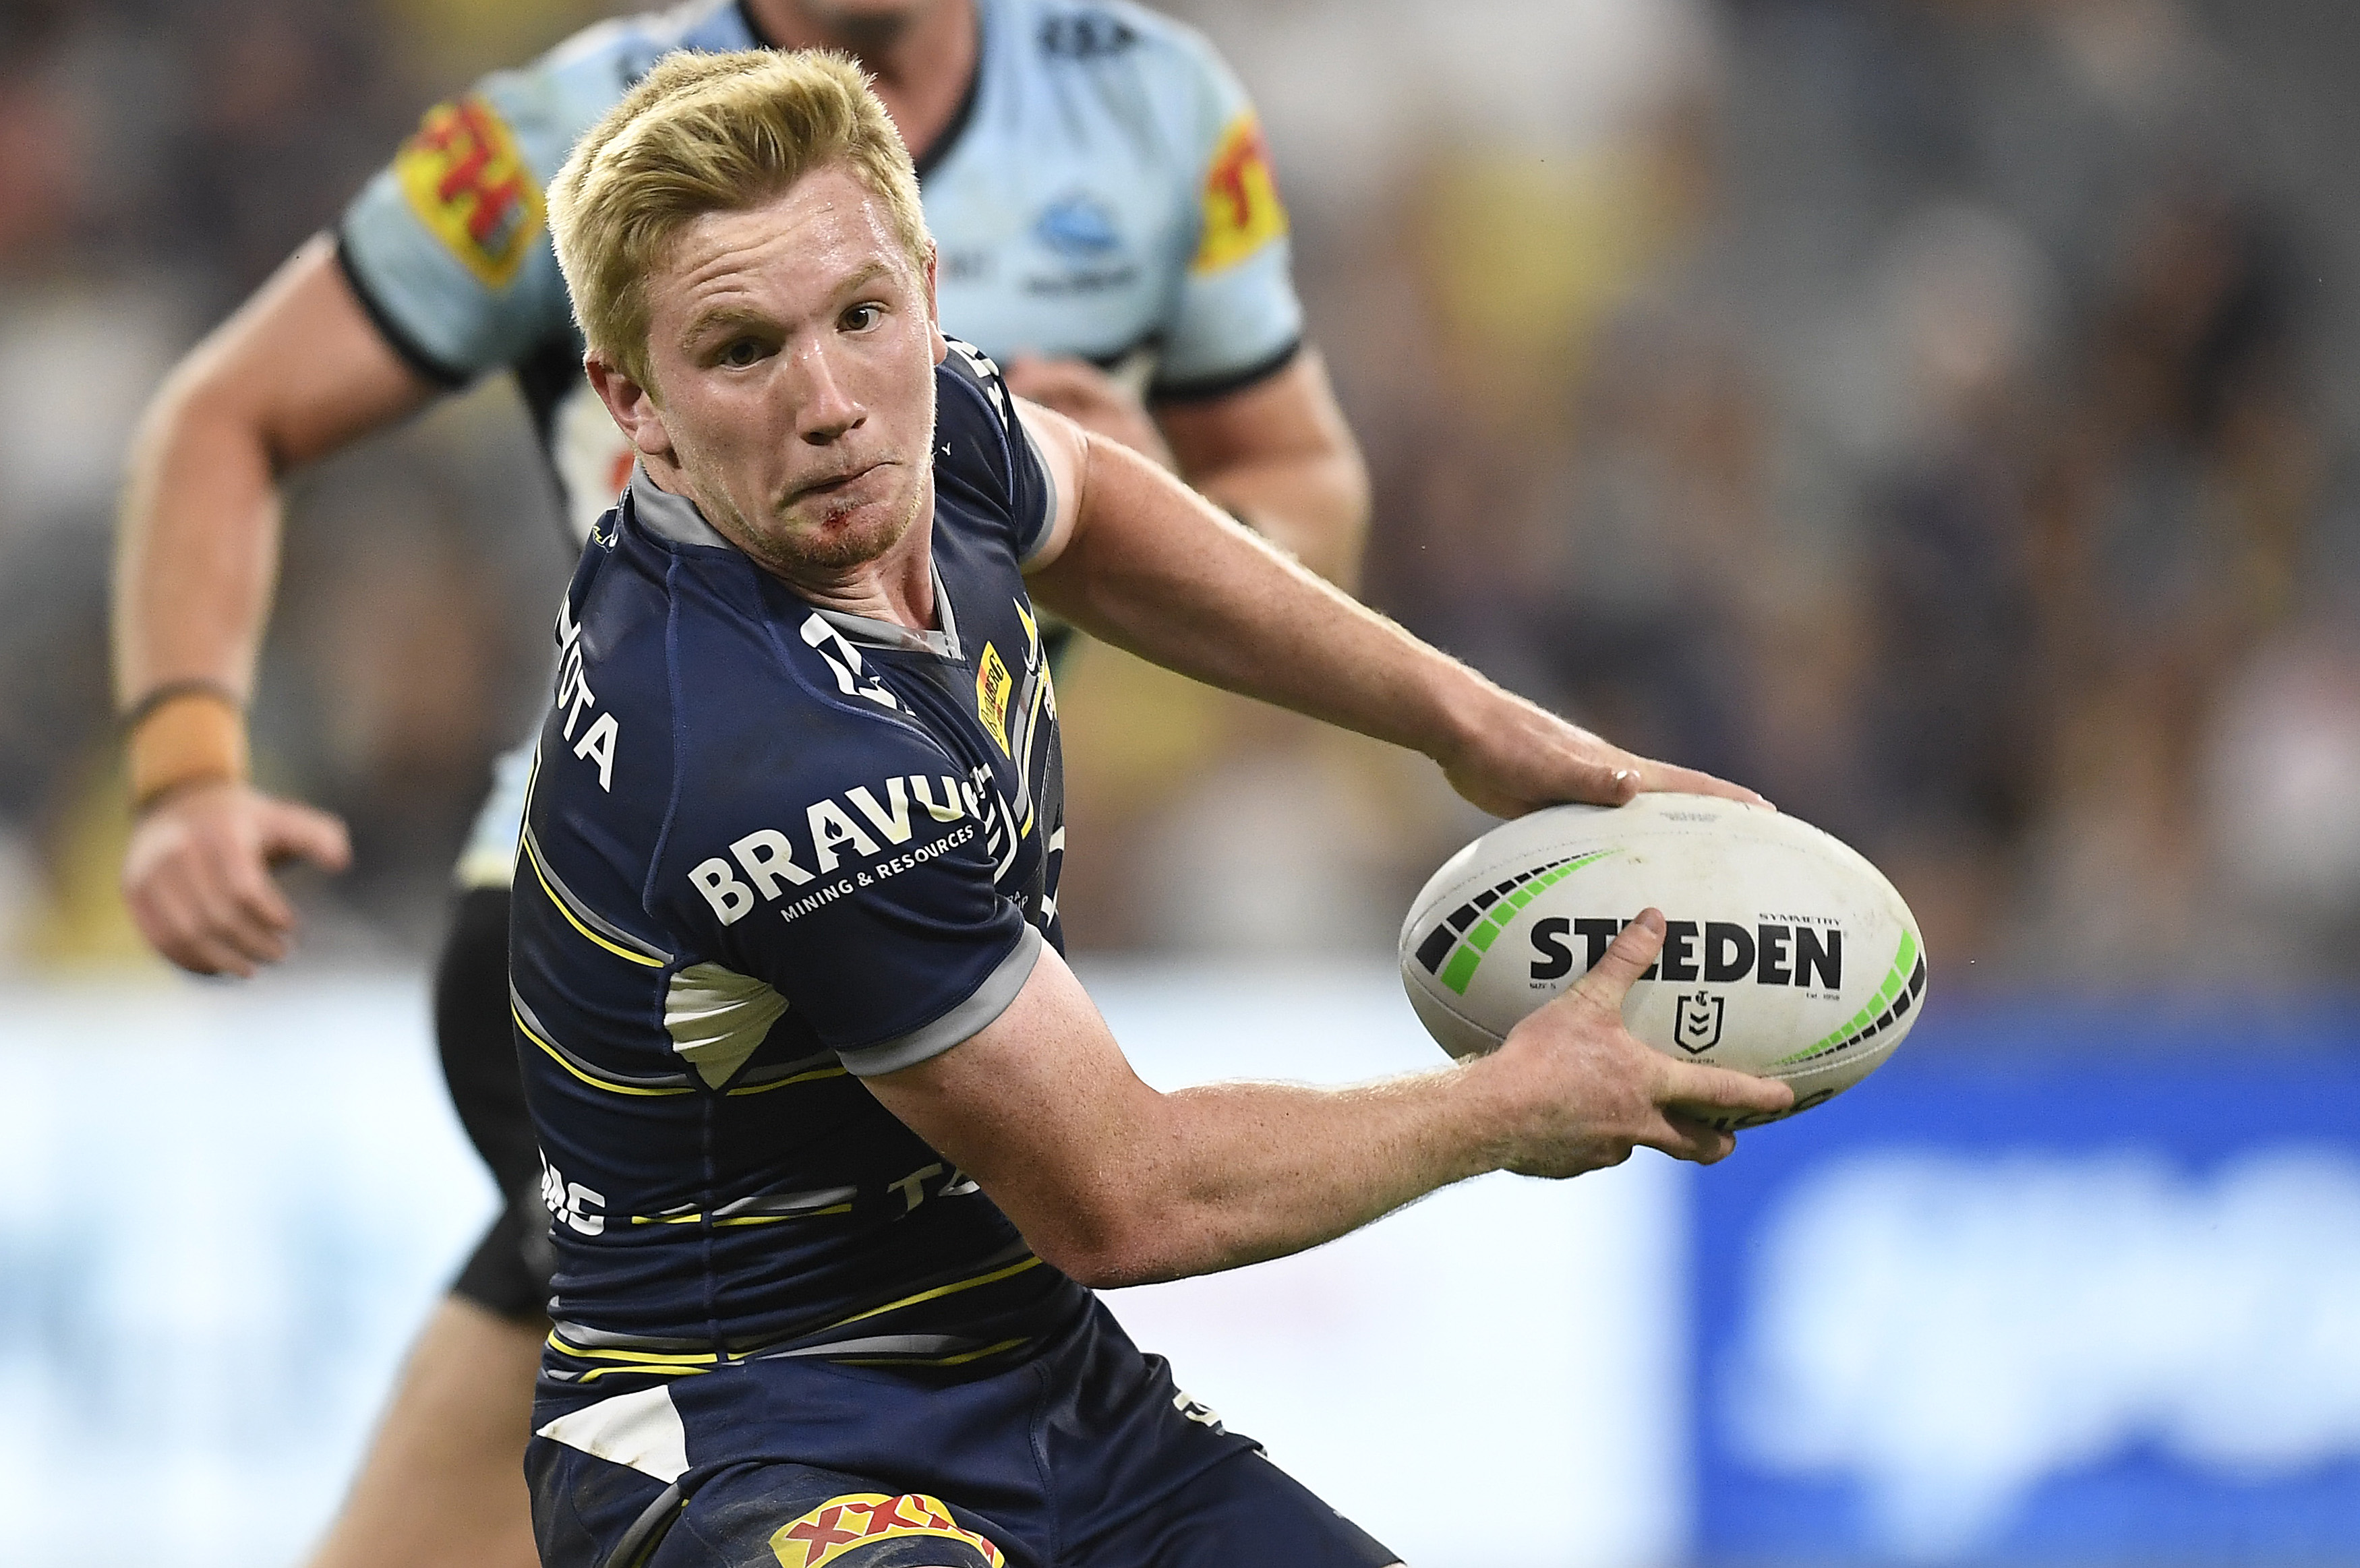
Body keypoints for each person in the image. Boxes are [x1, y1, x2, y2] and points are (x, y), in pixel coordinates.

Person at [111, 3, 1363, 1564]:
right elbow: (231, 408)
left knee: (668, 1391)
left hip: (938, 874)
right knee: (723, 1385)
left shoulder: (1152, 101)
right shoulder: (568, 129)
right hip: (638, 908)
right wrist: (186, 764)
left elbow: (1302, 492)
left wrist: (1149, 510)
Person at [517, 48, 1792, 1568]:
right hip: (744, 1433)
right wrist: (1507, 1103)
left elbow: (1098, 506)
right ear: (634, 403)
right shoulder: (755, 748)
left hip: (1044, 1386)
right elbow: (1127, 1197)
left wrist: (1476, 730)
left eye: (862, 315)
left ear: (926, 289)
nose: (830, 401)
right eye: (740, 351)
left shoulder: (922, 436)